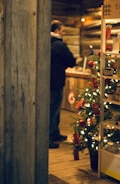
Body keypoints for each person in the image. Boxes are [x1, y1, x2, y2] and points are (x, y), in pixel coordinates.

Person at [49, 20, 76, 148]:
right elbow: (71, 61)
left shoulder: (45, 42)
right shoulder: (59, 45)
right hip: (56, 81)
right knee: (53, 110)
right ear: (57, 31)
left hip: (46, 81)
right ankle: (49, 138)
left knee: (51, 109)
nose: (64, 33)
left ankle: (54, 133)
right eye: (63, 30)